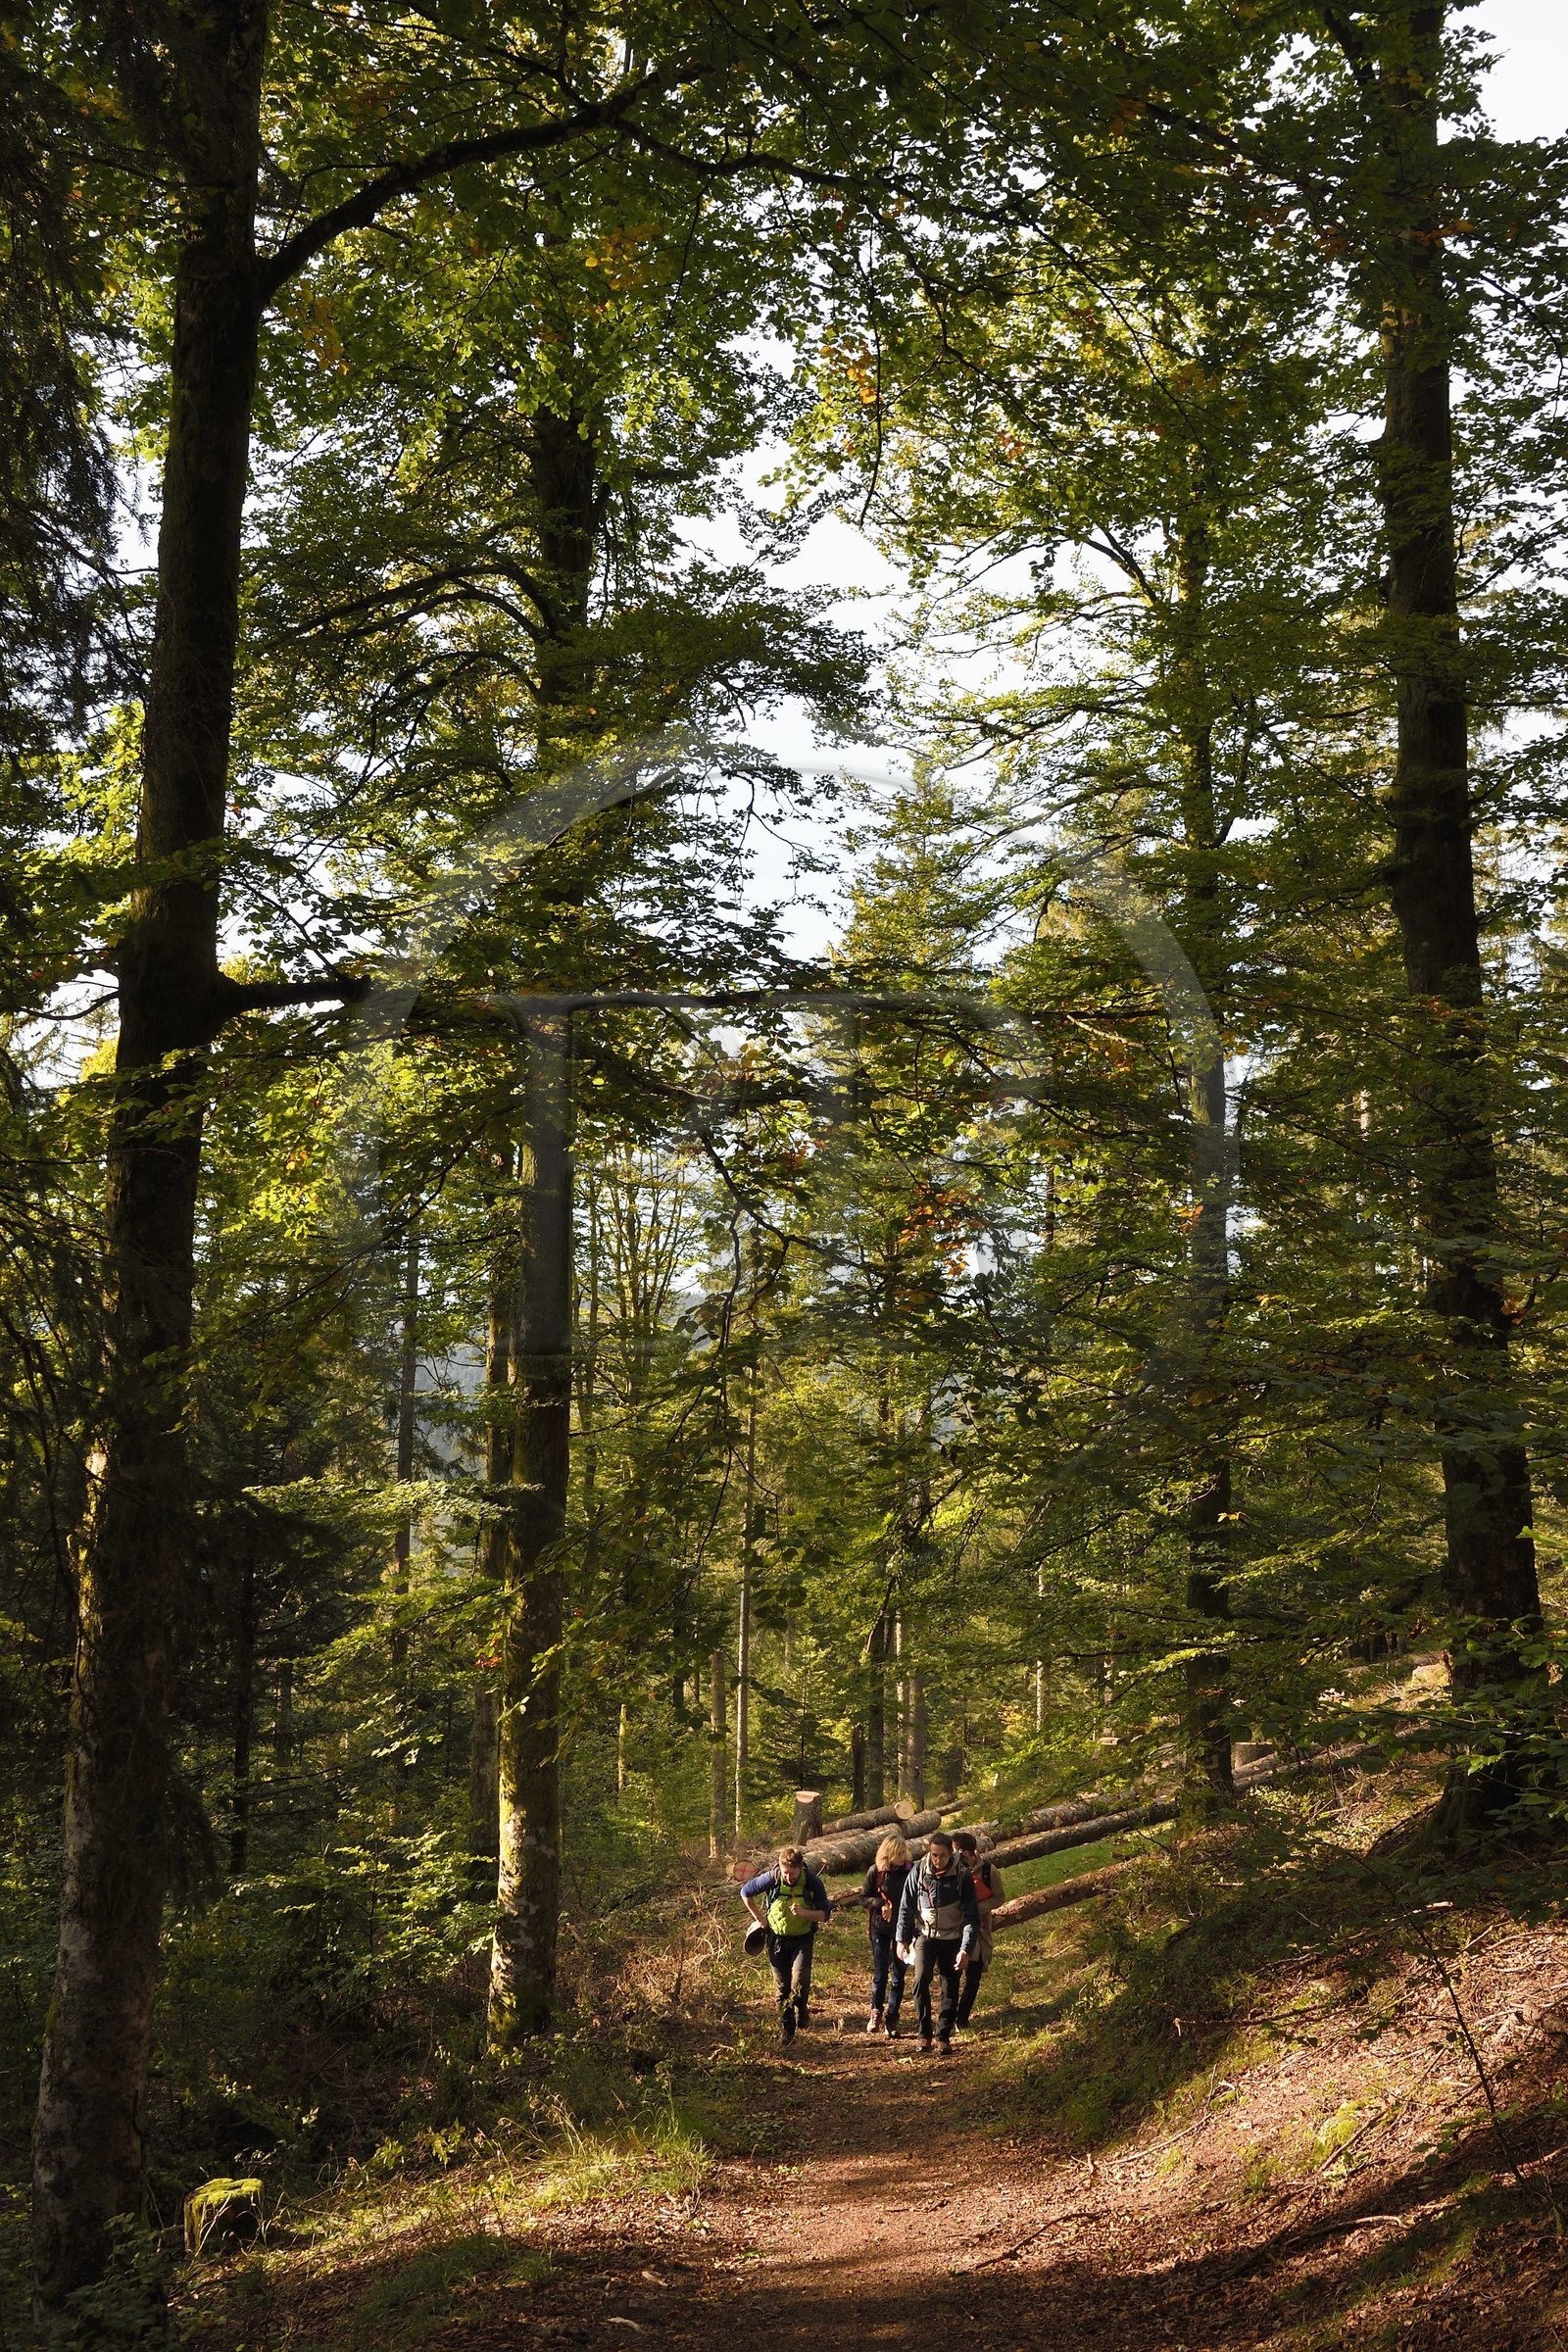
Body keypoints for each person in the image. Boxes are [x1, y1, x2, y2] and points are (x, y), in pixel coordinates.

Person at [895, 1831, 979, 2055]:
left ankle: (943, 2036)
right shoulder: (919, 1871)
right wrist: (901, 1939)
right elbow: (906, 1906)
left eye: (942, 1855)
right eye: (934, 1855)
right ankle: (924, 2034)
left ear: (950, 1853)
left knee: (950, 1986)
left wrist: (965, 1949)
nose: (937, 1860)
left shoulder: (963, 1876)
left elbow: (972, 1917)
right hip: (925, 1935)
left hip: (953, 1937)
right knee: (920, 1980)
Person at [740, 1844, 830, 2044]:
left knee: (799, 1983)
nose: (788, 1877)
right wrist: (759, 1918)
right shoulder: (772, 1878)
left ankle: (802, 2007)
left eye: (792, 1873)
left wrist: (805, 1913)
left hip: (803, 1939)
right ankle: (787, 2030)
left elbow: (825, 1914)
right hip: (777, 1939)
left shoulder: (812, 1882)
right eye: (785, 1872)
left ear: (801, 1868)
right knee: (782, 1989)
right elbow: (745, 1892)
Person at [952, 1831, 1004, 2032]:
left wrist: (976, 1909)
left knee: (974, 1977)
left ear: (967, 1851)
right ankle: (949, 2015)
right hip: (956, 1930)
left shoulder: (989, 1870)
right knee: (953, 1975)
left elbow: (999, 1897)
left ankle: (962, 2018)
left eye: (957, 1851)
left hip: (980, 1931)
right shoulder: (951, 1870)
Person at [859, 1834, 912, 2037]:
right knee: (881, 1974)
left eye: (903, 1852)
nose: (901, 1857)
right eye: (897, 1853)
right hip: (880, 1928)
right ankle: (876, 2012)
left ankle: (892, 2017)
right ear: (888, 1853)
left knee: (899, 1976)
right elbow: (863, 1899)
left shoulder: (911, 1871)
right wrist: (880, 1904)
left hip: (903, 1930)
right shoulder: (877, 1872)